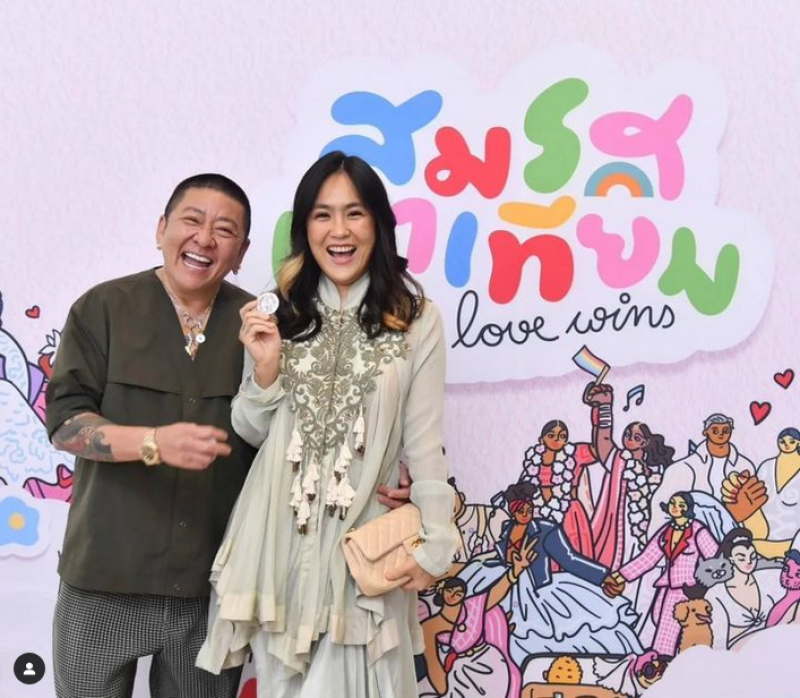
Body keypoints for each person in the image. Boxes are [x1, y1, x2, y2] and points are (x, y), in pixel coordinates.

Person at [196, 152, 459, 697]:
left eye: (354, 213)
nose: (339, 231)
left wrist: (437, 541)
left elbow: (424, 443)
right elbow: (250, 428)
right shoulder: (278, 312)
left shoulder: (416, 320)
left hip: (359, 549)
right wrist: (266, 369)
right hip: (276, 544)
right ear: (305, 228)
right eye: (322, 215)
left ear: (378, 224)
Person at [45, 175, 255, 698]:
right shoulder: (103, 308)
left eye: (224, 229)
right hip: (103, 577)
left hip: (211, 585)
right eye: (191, 220)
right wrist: (152, 443)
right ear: (162, 228)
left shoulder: (259, 328)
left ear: (241, 252)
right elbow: (66, 422)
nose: (204, 238)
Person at [458, 482, 641, 665]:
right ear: (512, 511)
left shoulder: (545, 529)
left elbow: (570, 559)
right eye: (520, 510)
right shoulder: (506, 529)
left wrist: (602, 576)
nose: (525, 514)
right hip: (507, 589)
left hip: (537, 591)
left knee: (550, 633)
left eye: (529, 510)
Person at [611, 492, 719, 657]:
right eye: (673, 503)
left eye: (681, 505)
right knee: (658, 618)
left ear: (688, 509)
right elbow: (647, 558)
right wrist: (619, 576)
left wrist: (702, 584)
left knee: (667, 630)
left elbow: (716, 559)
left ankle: (662, 659)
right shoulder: (666, 531)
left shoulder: (698, 530)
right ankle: (672, 658)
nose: (675, 508)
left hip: (688, 589)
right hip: (667, 586)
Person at [648, 413, 756, 534]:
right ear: (706, 432)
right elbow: (661, 513)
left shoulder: (744, 466)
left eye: (726, 430)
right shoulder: (683, 468)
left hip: (736, 539)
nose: (721, 434)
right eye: (715, 431)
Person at [419, 576, 522, 698]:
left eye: (458, 593)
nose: (452, 596)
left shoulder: (472, 607)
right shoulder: (430, 625)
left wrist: (514, 573)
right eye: (449, 591)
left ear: (463, 596)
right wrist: (443, 688)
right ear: (442, 591)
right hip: (460, 669)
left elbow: (495, 593)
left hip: (488, 662)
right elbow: (432, 660)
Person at [518, 419, 598, 559]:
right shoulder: (533, 459)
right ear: (541, 439)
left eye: (562, 436)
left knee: (570, 554)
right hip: (538, 514)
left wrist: (599, 419)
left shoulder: (574, 454)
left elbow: (599, 449)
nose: (556, 440)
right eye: (551, 435)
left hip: (569, 513)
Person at [723, 427, 800, 560]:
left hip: (792, 550)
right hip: (758, 546)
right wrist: (745, 512)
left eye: (791, 441)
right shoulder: (766, 467)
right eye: (782, 441)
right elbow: (755, 505)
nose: (786, 445)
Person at [706, 528, 783, 649]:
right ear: (731, 559)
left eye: (753, 556)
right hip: (739, 651)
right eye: (741, 558)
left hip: (774, 645)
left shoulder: (767, 577)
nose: (749, 562)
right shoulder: (717, 594)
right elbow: (718, 639)